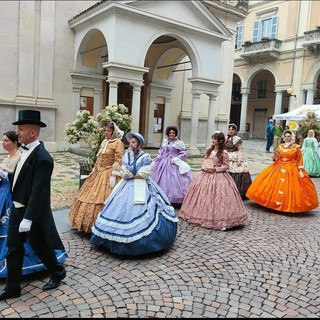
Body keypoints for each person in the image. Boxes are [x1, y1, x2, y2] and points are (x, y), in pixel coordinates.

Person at [0, 110, 67, 301]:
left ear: (32, 133)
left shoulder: (44, 158)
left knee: (40, 246)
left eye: (20, 129)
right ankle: (13, 287)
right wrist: (7, 175)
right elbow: (22, 179)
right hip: (17, 209)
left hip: (32, 213)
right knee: (14, 247)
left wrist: (28, 218)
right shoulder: (24, 153)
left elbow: (39, 191)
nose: (17, 132)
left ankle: (57, 271)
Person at [90, 132, 178, 256]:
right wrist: (123, 173)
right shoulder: (127, 155)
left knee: (143, 207)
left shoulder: (145, 156)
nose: (131, 144)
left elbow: (146, 173)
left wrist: (132, 176)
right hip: (126, 186)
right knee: (117, 206)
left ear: (139, 144)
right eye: (130, 142)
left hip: (140, 185)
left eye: (133, 142)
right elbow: (124, 167)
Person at [179, 131, 248, 231]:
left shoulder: (223, 153)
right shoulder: (209, 151)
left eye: (215, 139)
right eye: (212, 138)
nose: (213, 140)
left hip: (219, 177)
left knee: (220, 197)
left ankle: (221, 219)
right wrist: (204, 167)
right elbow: (204, 162)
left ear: (220, 141)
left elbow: (227, 166)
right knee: (203, 196)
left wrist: (216, 169)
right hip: (206, 175)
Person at [69, 121, 125, 233]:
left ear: (114, 132)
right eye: (106, 130)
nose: (106, 133)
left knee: (105, 198)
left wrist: (114, 174)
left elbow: (119, 160)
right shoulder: (104, 141)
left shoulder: (118, 143)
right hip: (99, 172)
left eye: (109, 131)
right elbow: (99, 158)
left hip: (110, 172)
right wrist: (95, 169)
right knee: (89, 195)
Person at [246, 129, 319, 213]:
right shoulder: (280, 146)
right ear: (283, 137)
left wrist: (301, 170)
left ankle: (287, 205)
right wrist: (274, 157)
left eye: (289, 136)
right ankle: (272, 202)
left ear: (291, 137)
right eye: (286, 136)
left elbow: (299, 159)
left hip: (291, 167)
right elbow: (276, 157)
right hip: (279, 166)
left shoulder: (296, 147)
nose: (287, 138)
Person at [150, 125, 193, 207]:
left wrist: (177, 158)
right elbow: (162, 151)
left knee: (174, 180)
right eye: (170, 133)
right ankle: (160, 197)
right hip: (163, 162)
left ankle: (174, 200)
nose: (171, 134)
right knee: (160, 179)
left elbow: (183, 153)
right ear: (168, 134)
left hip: (173, 162)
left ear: (176, 134)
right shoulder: (165, 142)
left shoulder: (179, 143)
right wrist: (159, 156)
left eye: (173, 133)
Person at [225, 123, 252, 199]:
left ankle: (237, 191)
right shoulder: (226, 138)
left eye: (232, 129)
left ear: (235, 131)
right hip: (227, 156)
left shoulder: (238, 139)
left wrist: (239, 160)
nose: (230, 131)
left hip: (235, 157)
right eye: (229, 129)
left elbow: (240, 150)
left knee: (237, 171)